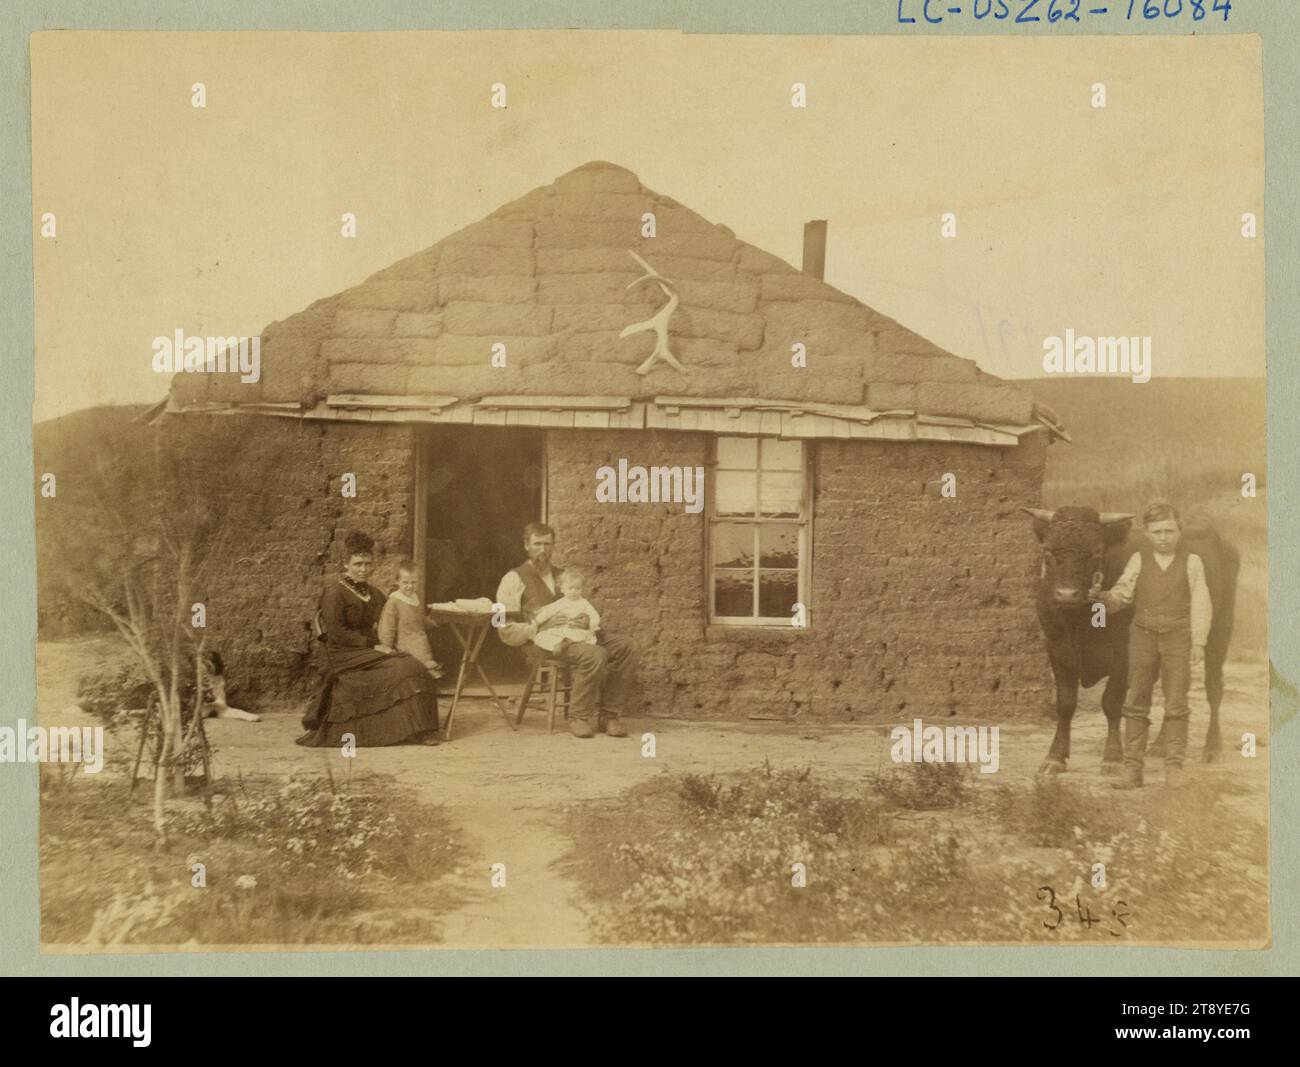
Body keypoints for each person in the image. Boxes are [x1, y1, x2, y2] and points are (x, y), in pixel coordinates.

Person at [1093, 502, 1212, 789]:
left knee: (1176, 703)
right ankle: (1133, 770)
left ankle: (1174, 769)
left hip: (1178, 638)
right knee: (1135, 703)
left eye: (1169, 531)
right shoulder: (1138, 560)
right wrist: (1104, 598)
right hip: (1143, 637)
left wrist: (1198, 642)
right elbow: (1123, 594)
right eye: (1157, 531)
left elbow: (1201, 603)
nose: (1164, 537)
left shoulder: (1192, 562)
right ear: (1146, 533)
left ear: (1179, 531)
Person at [298, 532, 442, 747]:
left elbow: (388, 621)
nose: (363, 569)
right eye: (357, 564)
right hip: (342, 652)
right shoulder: (334, 594)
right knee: (402, 669)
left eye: (367, 563)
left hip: (369, 650)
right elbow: (337, 633)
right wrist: (373, 645)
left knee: (413, 664)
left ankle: (418, 729)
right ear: (346, 565)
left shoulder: (374, 594)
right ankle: (402, 730)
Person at [496, 522, 637, 739]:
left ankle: (609, 716)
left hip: (581, 636)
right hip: (545, 643)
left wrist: (585, 619)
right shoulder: (512, 579)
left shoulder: (565, 575)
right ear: (526, 545)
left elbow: (583, 605)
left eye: (548, 544)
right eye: (537, 544)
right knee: (595, 655)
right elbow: (503, 628)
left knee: (628, 646)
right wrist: (537, 627)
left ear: (554, 546)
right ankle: (579, 716)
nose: (543, 550)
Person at [377, 559, 444, 676]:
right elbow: (387, 628)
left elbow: (420, 620)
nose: (410, 586)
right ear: (397, 582)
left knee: (429, 667)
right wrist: (386, 648)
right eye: (405, 582)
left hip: (421, 643)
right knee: (421, 671)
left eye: (413, 582)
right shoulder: (394, 602)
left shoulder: (415, 598)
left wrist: (434, 621)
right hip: (406, 647)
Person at [531, 569, 599, 653]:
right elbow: (547, 613)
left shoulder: (584, 603)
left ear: (582, 589)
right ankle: (559, 644)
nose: (574, 591)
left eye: (577, 588)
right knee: (543, 637)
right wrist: (536, 622)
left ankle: (567, 642)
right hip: (561, 629)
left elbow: (594, 615)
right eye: (570, 588)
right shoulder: (559, 603)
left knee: (584, 635)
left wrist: (591, 624)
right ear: (562, 589)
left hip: (576, 629)